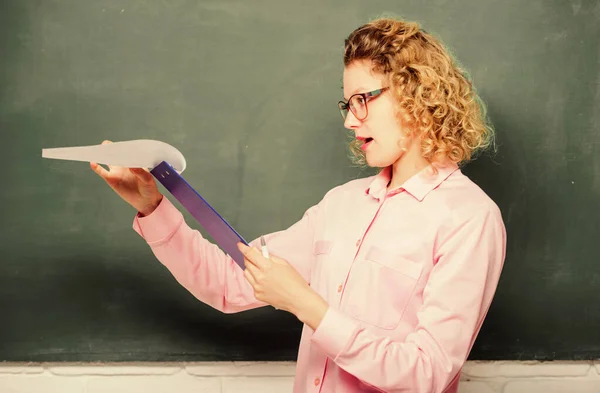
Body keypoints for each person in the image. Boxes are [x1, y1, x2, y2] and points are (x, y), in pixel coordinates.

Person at [91, 16, 506, 393]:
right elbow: (228, 284)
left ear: (414, 92)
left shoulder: (470, 218)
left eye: (363, 99)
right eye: (348, 104)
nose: (349, 120)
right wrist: (154, 207)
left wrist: (305, 304)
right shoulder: (341, 206)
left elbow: (426, 372)